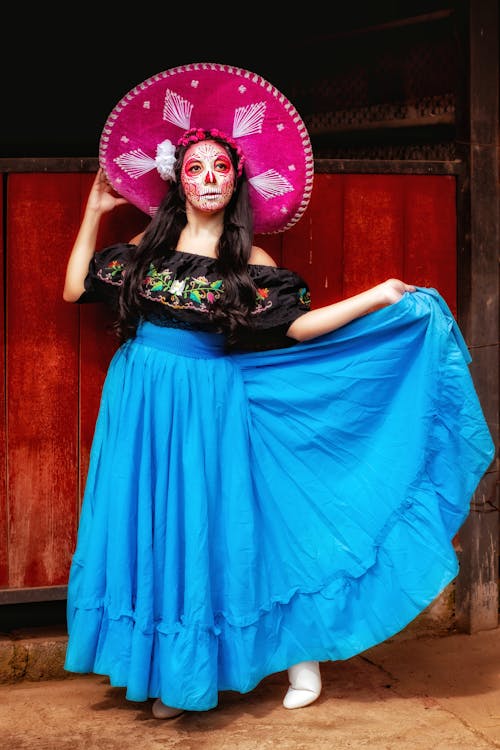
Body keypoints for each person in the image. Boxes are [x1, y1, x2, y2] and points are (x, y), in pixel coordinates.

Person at [62, 63, 494, 721]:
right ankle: (160, 672)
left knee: (217, 528)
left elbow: (298, 327)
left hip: (210, 400)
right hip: (140, 398)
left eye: (219, 169)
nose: (207, 179)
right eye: (195, 168)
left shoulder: (253, 264)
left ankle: (265, 659)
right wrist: (93, 212)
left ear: (236, 182)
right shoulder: (145, 246)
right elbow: (73, 291)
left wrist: (377, 296)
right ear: (178, 179)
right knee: (150, 527)